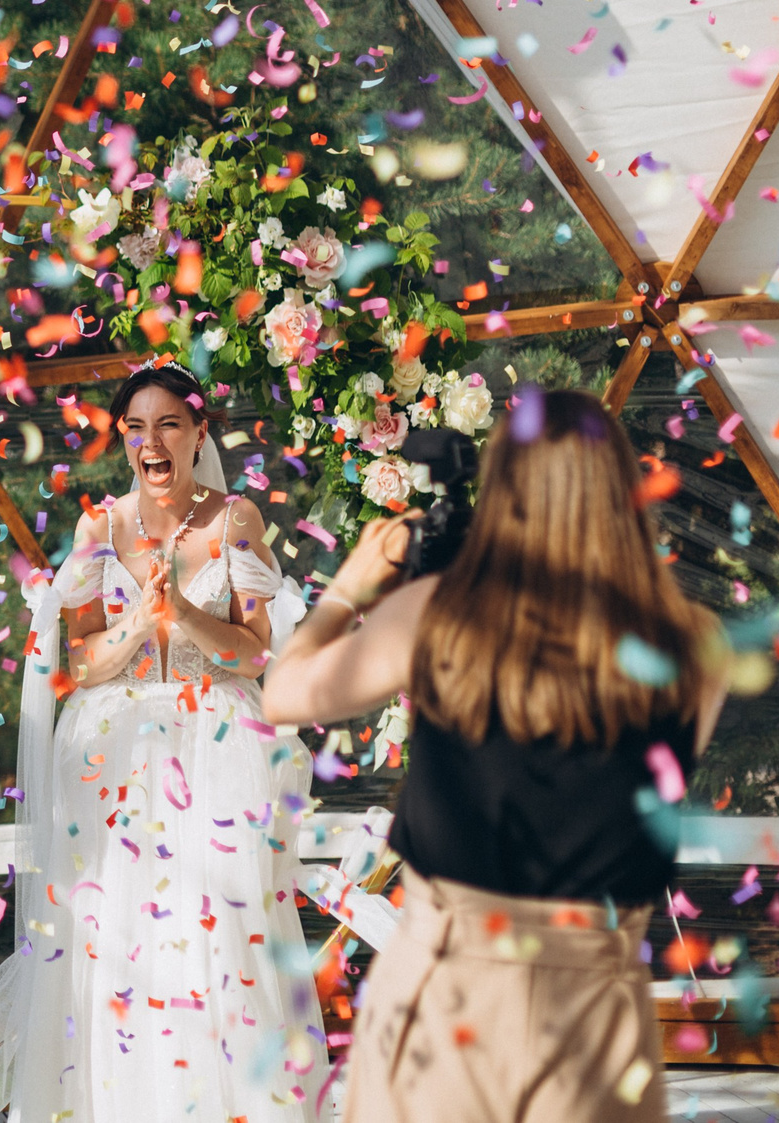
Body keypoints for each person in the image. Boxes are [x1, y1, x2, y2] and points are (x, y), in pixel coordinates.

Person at [261, 388, 727, 1123]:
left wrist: (350, 588)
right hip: (597, 1006)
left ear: (503, 486)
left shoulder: (439, 612)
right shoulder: (695, 644)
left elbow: (283, 694)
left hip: (447, 988)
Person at [0, 365, 326, 1122]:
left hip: (215, 749)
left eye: (168, 425)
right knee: (114, 939)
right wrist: (136, 623)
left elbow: (255, 652)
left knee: (215, 933)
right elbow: (80, 661)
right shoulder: (99, 528)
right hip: (114, 763)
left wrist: (183, 611)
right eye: (135, 427)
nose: (150, 442)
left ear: (198, 433)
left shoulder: (237, 519)